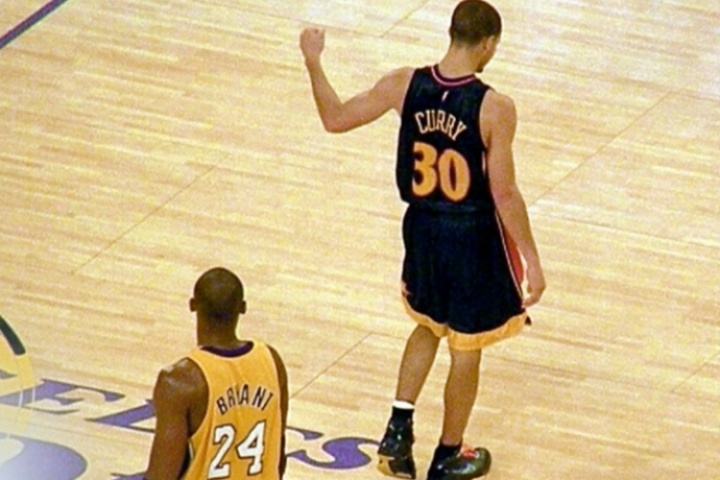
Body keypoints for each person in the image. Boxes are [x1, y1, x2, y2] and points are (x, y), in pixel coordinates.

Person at [300, 1, 546, 479]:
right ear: (488, 43)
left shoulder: (403, 84)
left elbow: (335, 118)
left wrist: (313, 62)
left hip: (422, 227)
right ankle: (448, 452)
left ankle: (397, 432)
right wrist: (532, 260)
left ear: (452, 33)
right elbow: (504, 193)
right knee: (467, 345)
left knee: (428, 325)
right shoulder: (495, 107)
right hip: (471, 235)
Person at [144, 267, 288, 480]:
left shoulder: (179, 382)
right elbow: (278, 456)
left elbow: (162, 475)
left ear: (193, 305)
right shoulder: (271, 361)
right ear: (242, 308)